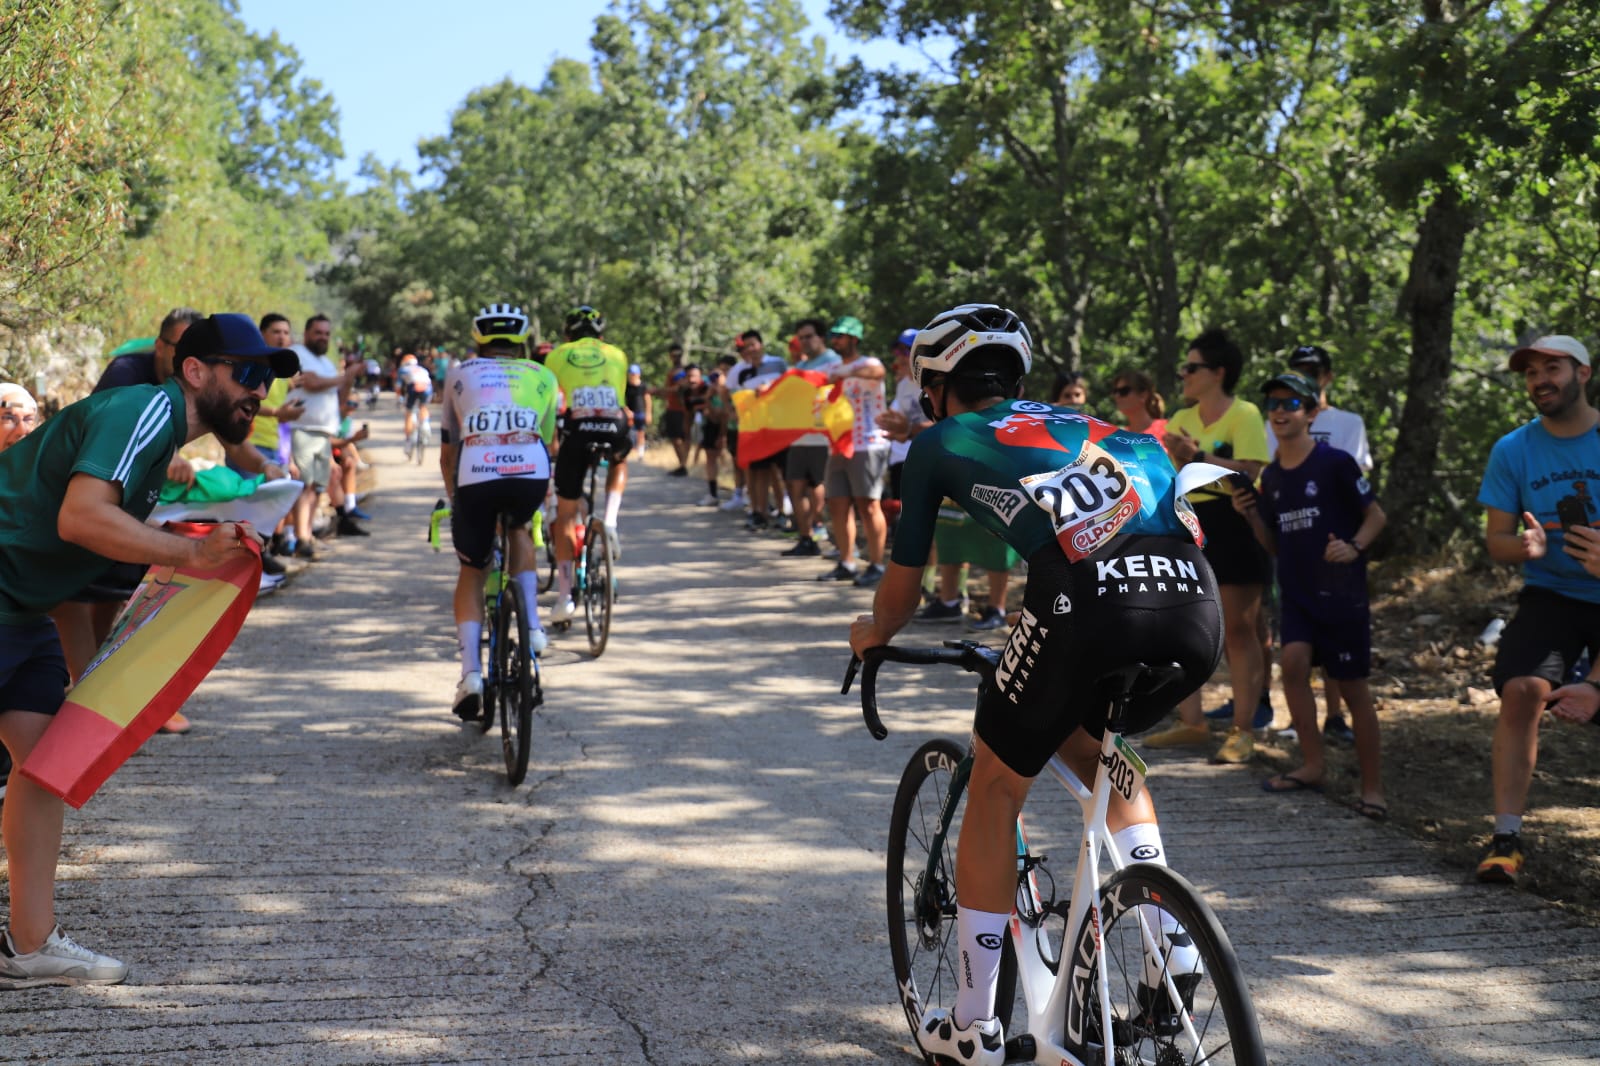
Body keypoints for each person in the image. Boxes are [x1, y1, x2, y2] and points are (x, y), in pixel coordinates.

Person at [850, 304, 1222, 1065]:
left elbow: (902, 589)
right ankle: (1171, 948)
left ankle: (973, 1027)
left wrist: (873, 635)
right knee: (1101, 751)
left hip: (1086, 603)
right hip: (1193, 601)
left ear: (937, 383)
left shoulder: (941, 441)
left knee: (994, 783)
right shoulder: (1096, 425)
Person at [0, 313, 296, 989]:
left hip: (19, 611)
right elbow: (81, 517)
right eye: (246, 374)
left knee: (44, 765)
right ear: (195, 371)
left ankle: (29, 944)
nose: (256, 392)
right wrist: (191, 551)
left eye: (264, 380)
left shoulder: (159, 434)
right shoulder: (140, 410)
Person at [1474, 334, 1600, 883]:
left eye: (1553, 367)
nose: (1541, 379)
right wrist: (1522, 547)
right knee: (1523, 688)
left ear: (1584, 373)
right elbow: (1497, 540)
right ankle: (1506, 838)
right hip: (1552, 592)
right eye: (1531, 372)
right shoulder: (1513, 449)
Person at [1233, 373, 1387, 816]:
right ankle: (1313, 764)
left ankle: (1373, 789)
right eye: (1273, 404)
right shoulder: (1273, 478)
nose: (1280, 411)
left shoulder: (1336, 462)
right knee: (1294, 666)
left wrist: (1354, 546)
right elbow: (1276, 544)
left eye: (1291, 402)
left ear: (1312, 411)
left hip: (1342, 595)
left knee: (1353, 687)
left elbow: (1376, 516)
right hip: (1297, 594)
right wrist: (1251, 517)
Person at [1145, 329, 1272, 763]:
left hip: (1233, 521)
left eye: (1192, 367)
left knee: (1239, 629)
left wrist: (1198, 457)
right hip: (1187, 520)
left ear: (1218, 373)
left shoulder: (1246, 413)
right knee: (1182, 626)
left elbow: (1251, 472)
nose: (1184, 374)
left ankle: (1243, 730)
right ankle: (1191, 722)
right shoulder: (1181, 416)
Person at [439, 305, 560, 718]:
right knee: (520, 528)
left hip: (476, 474)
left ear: (479, 339)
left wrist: (457, 504)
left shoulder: (458, 373)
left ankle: (471, 674)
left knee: (473, 570)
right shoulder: (543, 375)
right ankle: (533, 629)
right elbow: (547, 441)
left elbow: (447, 452)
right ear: (521, 341)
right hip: (530, 471)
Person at [1275, 343, 1374, 746]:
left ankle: (1336, 717)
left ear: (1327, 376)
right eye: (1298, 368)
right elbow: (1275, 468)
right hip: (1294, 541)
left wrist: (1355, 542)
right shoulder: (1280, 418)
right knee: (1296, 654)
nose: (1307, 375)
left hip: (1336, 544)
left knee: (1341, 661)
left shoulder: (1349, 422)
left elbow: (1361, 484)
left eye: (1313, 370)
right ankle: (1306, 730)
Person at [545, 305, 632, 622]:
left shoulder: (557, 355)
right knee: (620, 459)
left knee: (566, 514)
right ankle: (609, 520)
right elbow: (619, 400)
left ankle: (566, 596)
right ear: (601, 335)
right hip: (614, 427)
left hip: (578, 431)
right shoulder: (617, 354)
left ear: (567, 334)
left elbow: (554, 403)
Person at [818, 315, 891, 588]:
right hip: (838, 444)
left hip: (868, 442)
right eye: (833, 336)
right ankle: (847, 561)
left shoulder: (868, 363)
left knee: (868, 505)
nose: (834, 340)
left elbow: (878, 373)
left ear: (854, 338)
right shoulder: (832, 367)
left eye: (840, 335)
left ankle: (876, 564)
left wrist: (845, 374)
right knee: (837, 503)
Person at [284, 315, 354, 559]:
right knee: (304, 485)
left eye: (326, 333)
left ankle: (307, 534)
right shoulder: (298, 353)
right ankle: (301, 538)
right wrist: (345, 376)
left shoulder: (326, 362)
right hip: (301, 429)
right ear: (306, 333)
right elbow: (311, 382)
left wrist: (347, 379)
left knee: (317, 487)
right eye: (318, 332)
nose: (323, 337)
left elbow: (336, 393)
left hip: (323, 432)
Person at [782, 318, 842, 558]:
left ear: (821, 337)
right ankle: (806, 538)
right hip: (798, 436)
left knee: (818, 489)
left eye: (809, 336)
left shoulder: (834, 362)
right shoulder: (798, 367)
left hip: (822, 437)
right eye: (801, 338)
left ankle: (820, 532)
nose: (804, 341)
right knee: (795, 486)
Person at [729, 330, 789, 530]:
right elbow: (736, 399)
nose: (750, 350)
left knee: (777, 473)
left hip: (777, 427)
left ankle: (783, 512)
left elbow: (788, 389)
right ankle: (759, 512)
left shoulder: (778, 363)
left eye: (753, 345)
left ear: (761, 344)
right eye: (746, 347)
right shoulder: (742, 372)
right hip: (754, 430)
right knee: (758, 473)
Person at [655, 344, 691, 475]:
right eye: (673, 355)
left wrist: (660, 390)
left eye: (678, 355)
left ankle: (683, 465)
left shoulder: (680, 371)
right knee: (676, 437)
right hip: (673, 407)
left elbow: (679, 388)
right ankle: (682, 464)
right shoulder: (674, 371)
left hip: (679, 409)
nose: (675, 357)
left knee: (678, 437)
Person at [1109, 367, 1168, 445]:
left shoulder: (1167, 429)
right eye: (1115, 391)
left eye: (1124, 391)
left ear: (1143, 395)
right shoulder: (1119, 438)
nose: (1117, 396)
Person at [397, 353, 433, 458]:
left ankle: (408, 441)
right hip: (427, 387)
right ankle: (425, 425)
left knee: (409, 412)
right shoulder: (422, 369)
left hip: (414, 387)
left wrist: (399, 398)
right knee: (423, 407)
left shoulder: (403, 369)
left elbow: (398, 386)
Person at [625, 363, 650, 458]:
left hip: (641, 412)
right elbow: (622, 400)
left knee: (641, 432)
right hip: (630, 413)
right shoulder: (626, 386)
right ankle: (630, 450)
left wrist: (648, 413)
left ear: (638, 374)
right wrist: (627, 411)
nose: (632, 376)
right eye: (631, 374)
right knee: (629, 433)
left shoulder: (643, 386)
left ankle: (641, 452)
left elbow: (648, 400)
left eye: (634, 374)